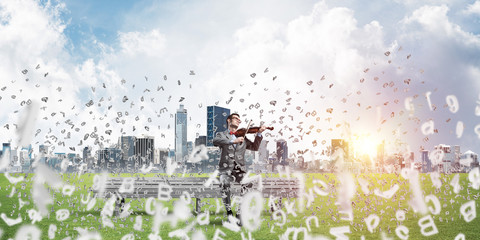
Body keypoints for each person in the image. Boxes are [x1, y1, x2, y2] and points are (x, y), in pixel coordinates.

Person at [213, 113, 266, 225]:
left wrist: (259, 134)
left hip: (239, 169)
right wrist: (232, 141)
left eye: (239, 119)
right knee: (224, 183)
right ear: (228, 120)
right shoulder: (221, 135)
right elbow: (215, 141)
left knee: (247, 184)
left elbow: (255, 147)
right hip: (226, 169)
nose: (238, 120)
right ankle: (229, 214)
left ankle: (239, 214)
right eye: (236, 118)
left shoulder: (243, 137)